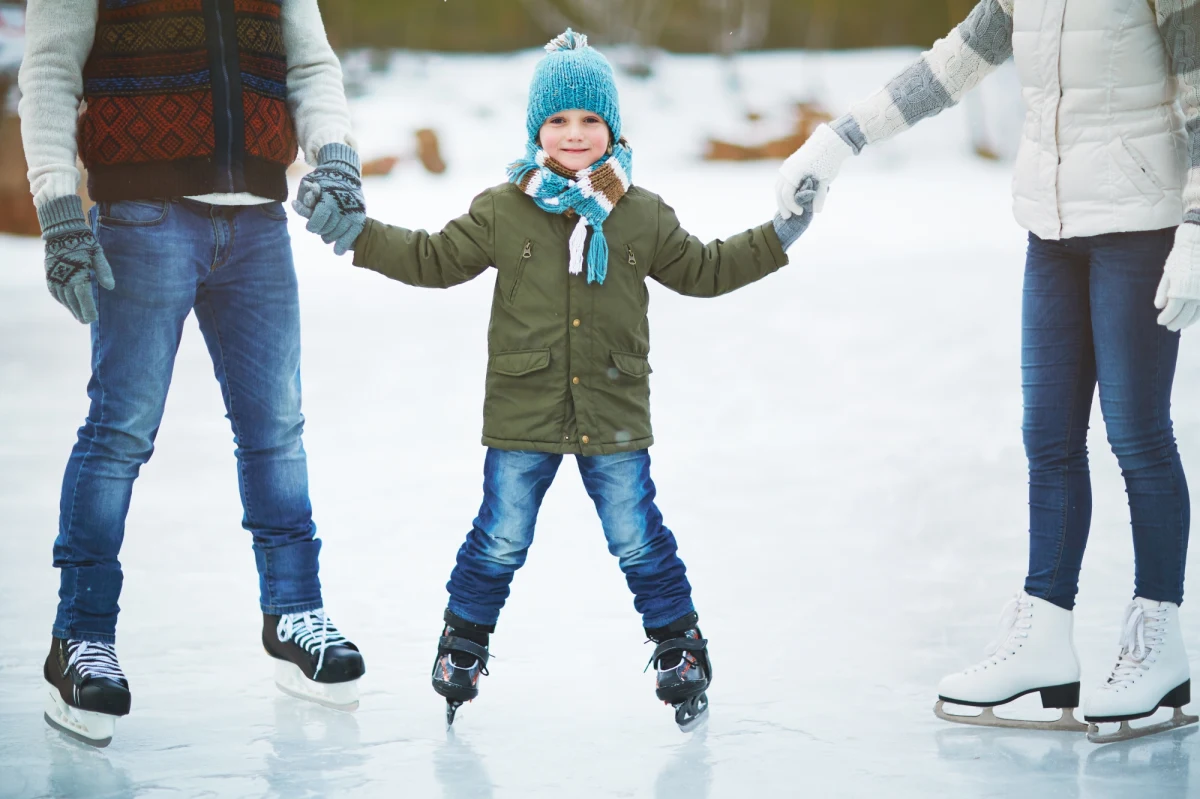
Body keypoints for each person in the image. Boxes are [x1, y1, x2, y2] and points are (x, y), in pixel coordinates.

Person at [294, 29, 816, 731]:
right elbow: (431, 258)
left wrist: (779, 234)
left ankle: (678, 646)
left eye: (590, 120)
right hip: (525, 406)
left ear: (612, 129)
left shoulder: (642, 213)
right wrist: (358, 233)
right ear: (538, 129)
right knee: (501, 534)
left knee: (636, 532)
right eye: (560, 120)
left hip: (613, 404)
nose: (575, 134)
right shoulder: (504, 208)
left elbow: (708, 268)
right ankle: (463, 642)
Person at [775, 0, 1199, 741]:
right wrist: (838, 140)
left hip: (1141, 222)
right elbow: (950, 67)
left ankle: (1159, 636)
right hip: (1052, 226)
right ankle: (1045, 631)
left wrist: (1196, 231)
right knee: (1049, 437)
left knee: (1136, 434)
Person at [20, 0, 369, 747]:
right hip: (142, 219)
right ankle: (79, 635)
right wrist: (58, 205)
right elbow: (48, 69)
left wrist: (334, 155)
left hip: (257, 227)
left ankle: (294, 610)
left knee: (276, 428)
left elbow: (309, 63)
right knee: (119, 432)